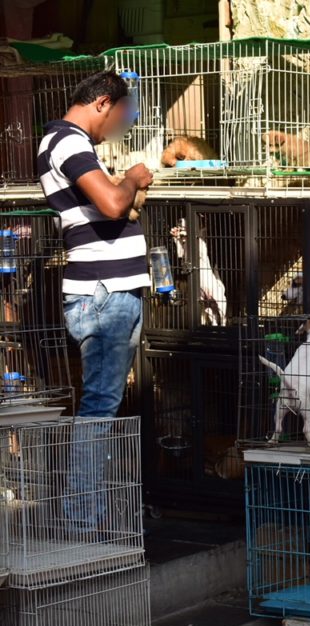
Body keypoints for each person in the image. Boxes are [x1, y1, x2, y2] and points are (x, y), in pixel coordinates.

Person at [37, 71, 153, 533]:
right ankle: (83, 516)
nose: (117, 128)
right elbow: (109, 204)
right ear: (103, 103)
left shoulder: (68, 143)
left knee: (102, 404)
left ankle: (88, 511)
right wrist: (131, 177)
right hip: (103, 293)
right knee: (99, 407)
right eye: (120, 115)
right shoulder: (67, 141)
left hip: (108, 291)